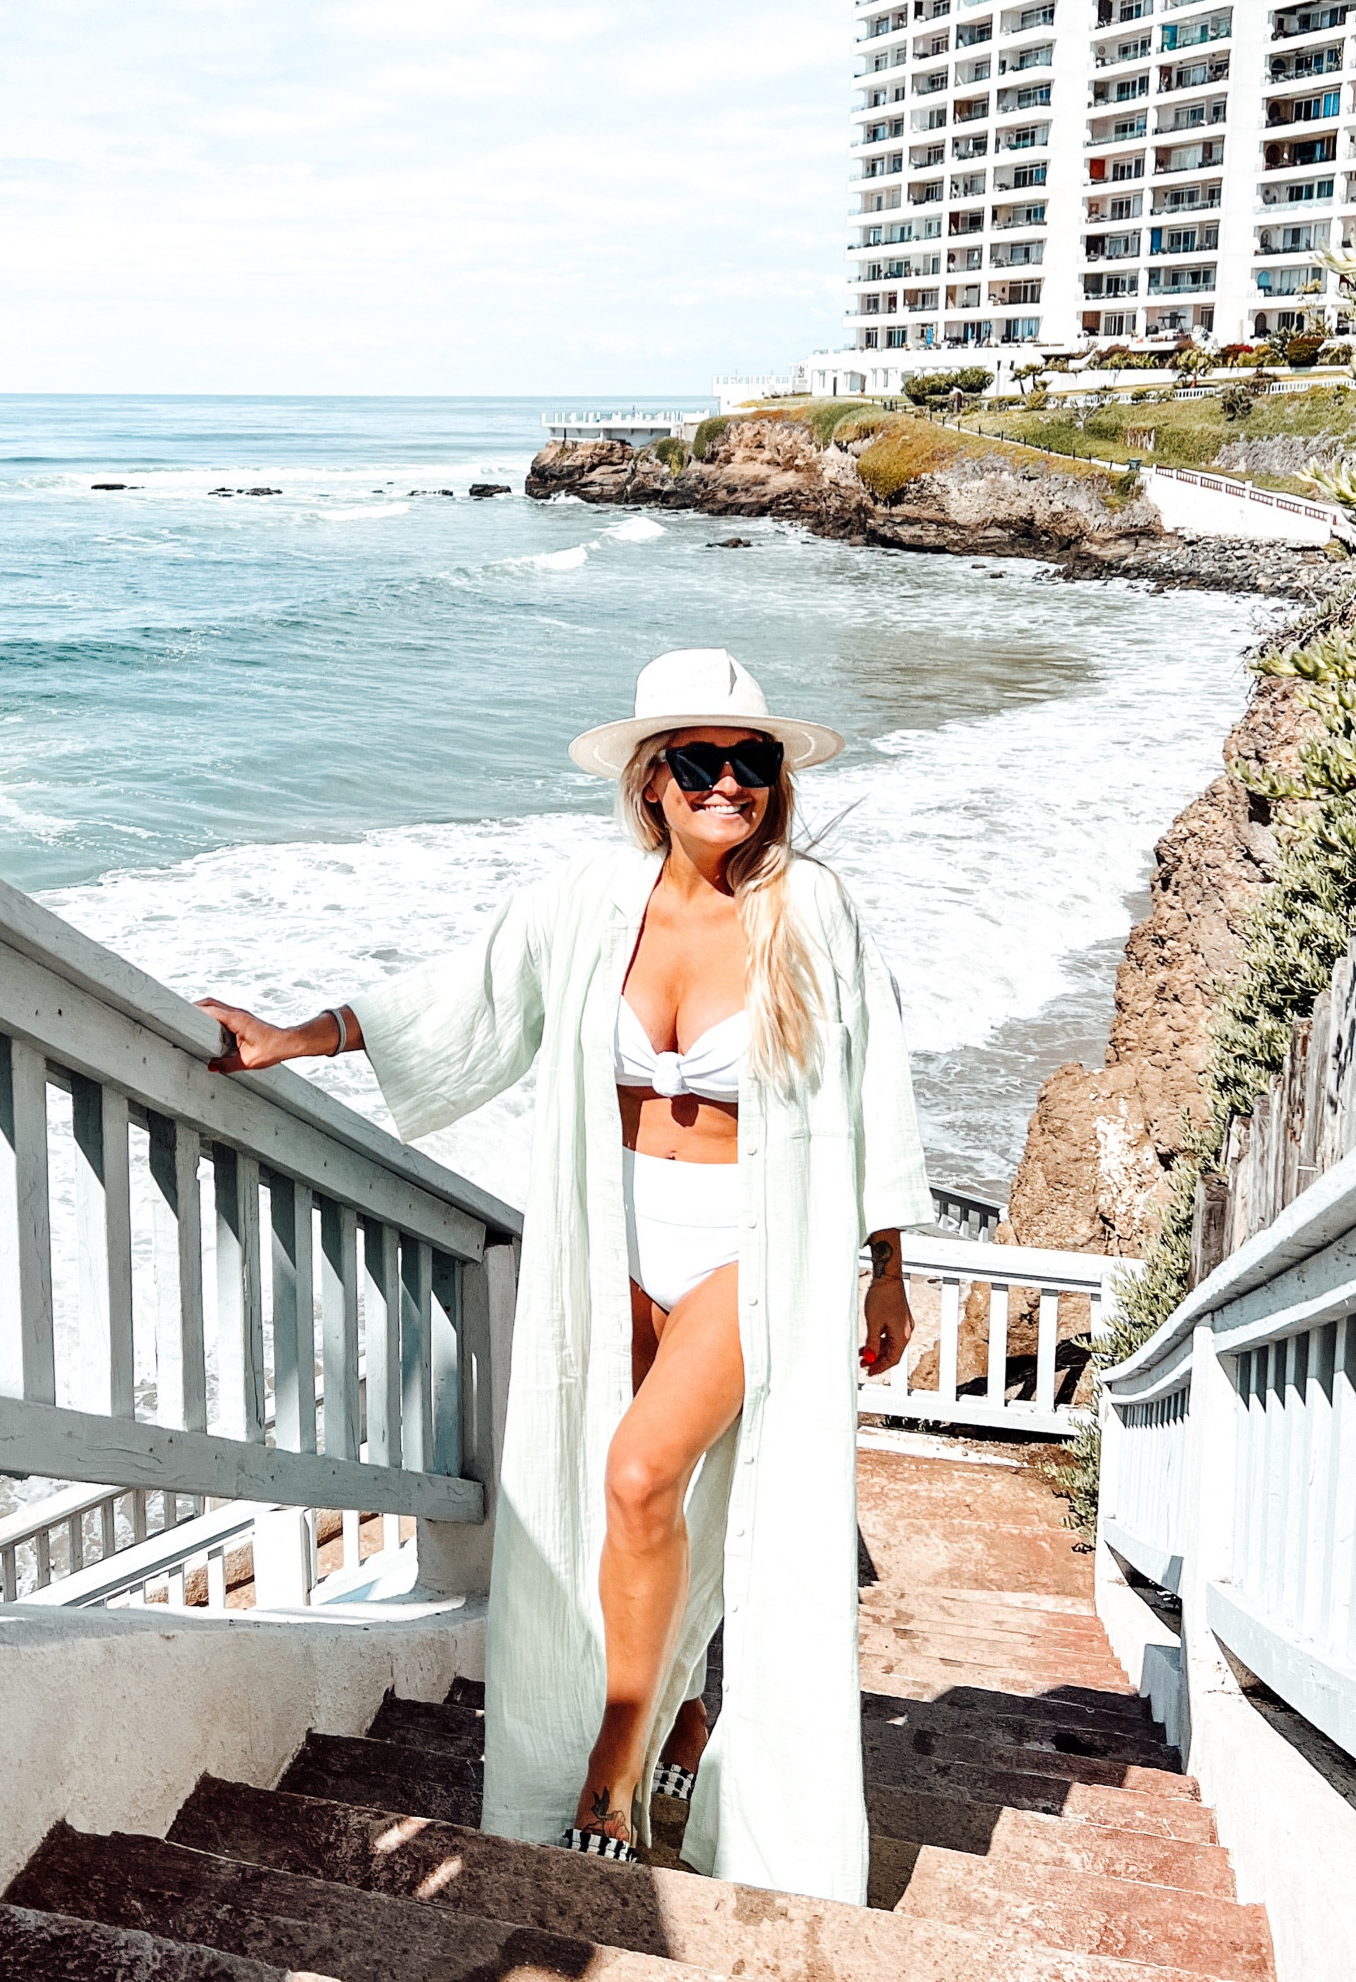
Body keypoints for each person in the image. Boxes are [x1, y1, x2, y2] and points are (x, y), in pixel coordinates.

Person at [199, 647, 933, 1902]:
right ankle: (683, 1721)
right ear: (652, 783)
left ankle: (611, 1763)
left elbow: (878, 1082)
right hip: (613, 1234)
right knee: (644, 1517)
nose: (729, 785)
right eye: (699, 763)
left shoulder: (811, 908)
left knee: (641, 1476)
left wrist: (886, 1264)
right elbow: (462, 993)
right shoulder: (591, 902)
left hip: (758, 1245)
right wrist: (295, 1036)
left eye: (751, 763)